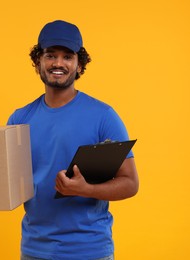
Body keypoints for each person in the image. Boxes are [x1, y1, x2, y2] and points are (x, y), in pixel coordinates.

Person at [7, 20, 139, 260]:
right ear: (38, 62)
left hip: (89, 250)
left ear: (79, 65)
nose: (58, 63)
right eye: (50, 56)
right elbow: (7, 181)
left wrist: (86, 189)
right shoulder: (19, 119)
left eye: (68, 57)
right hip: (34, 250)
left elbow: (131, 183)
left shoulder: (103, 116)